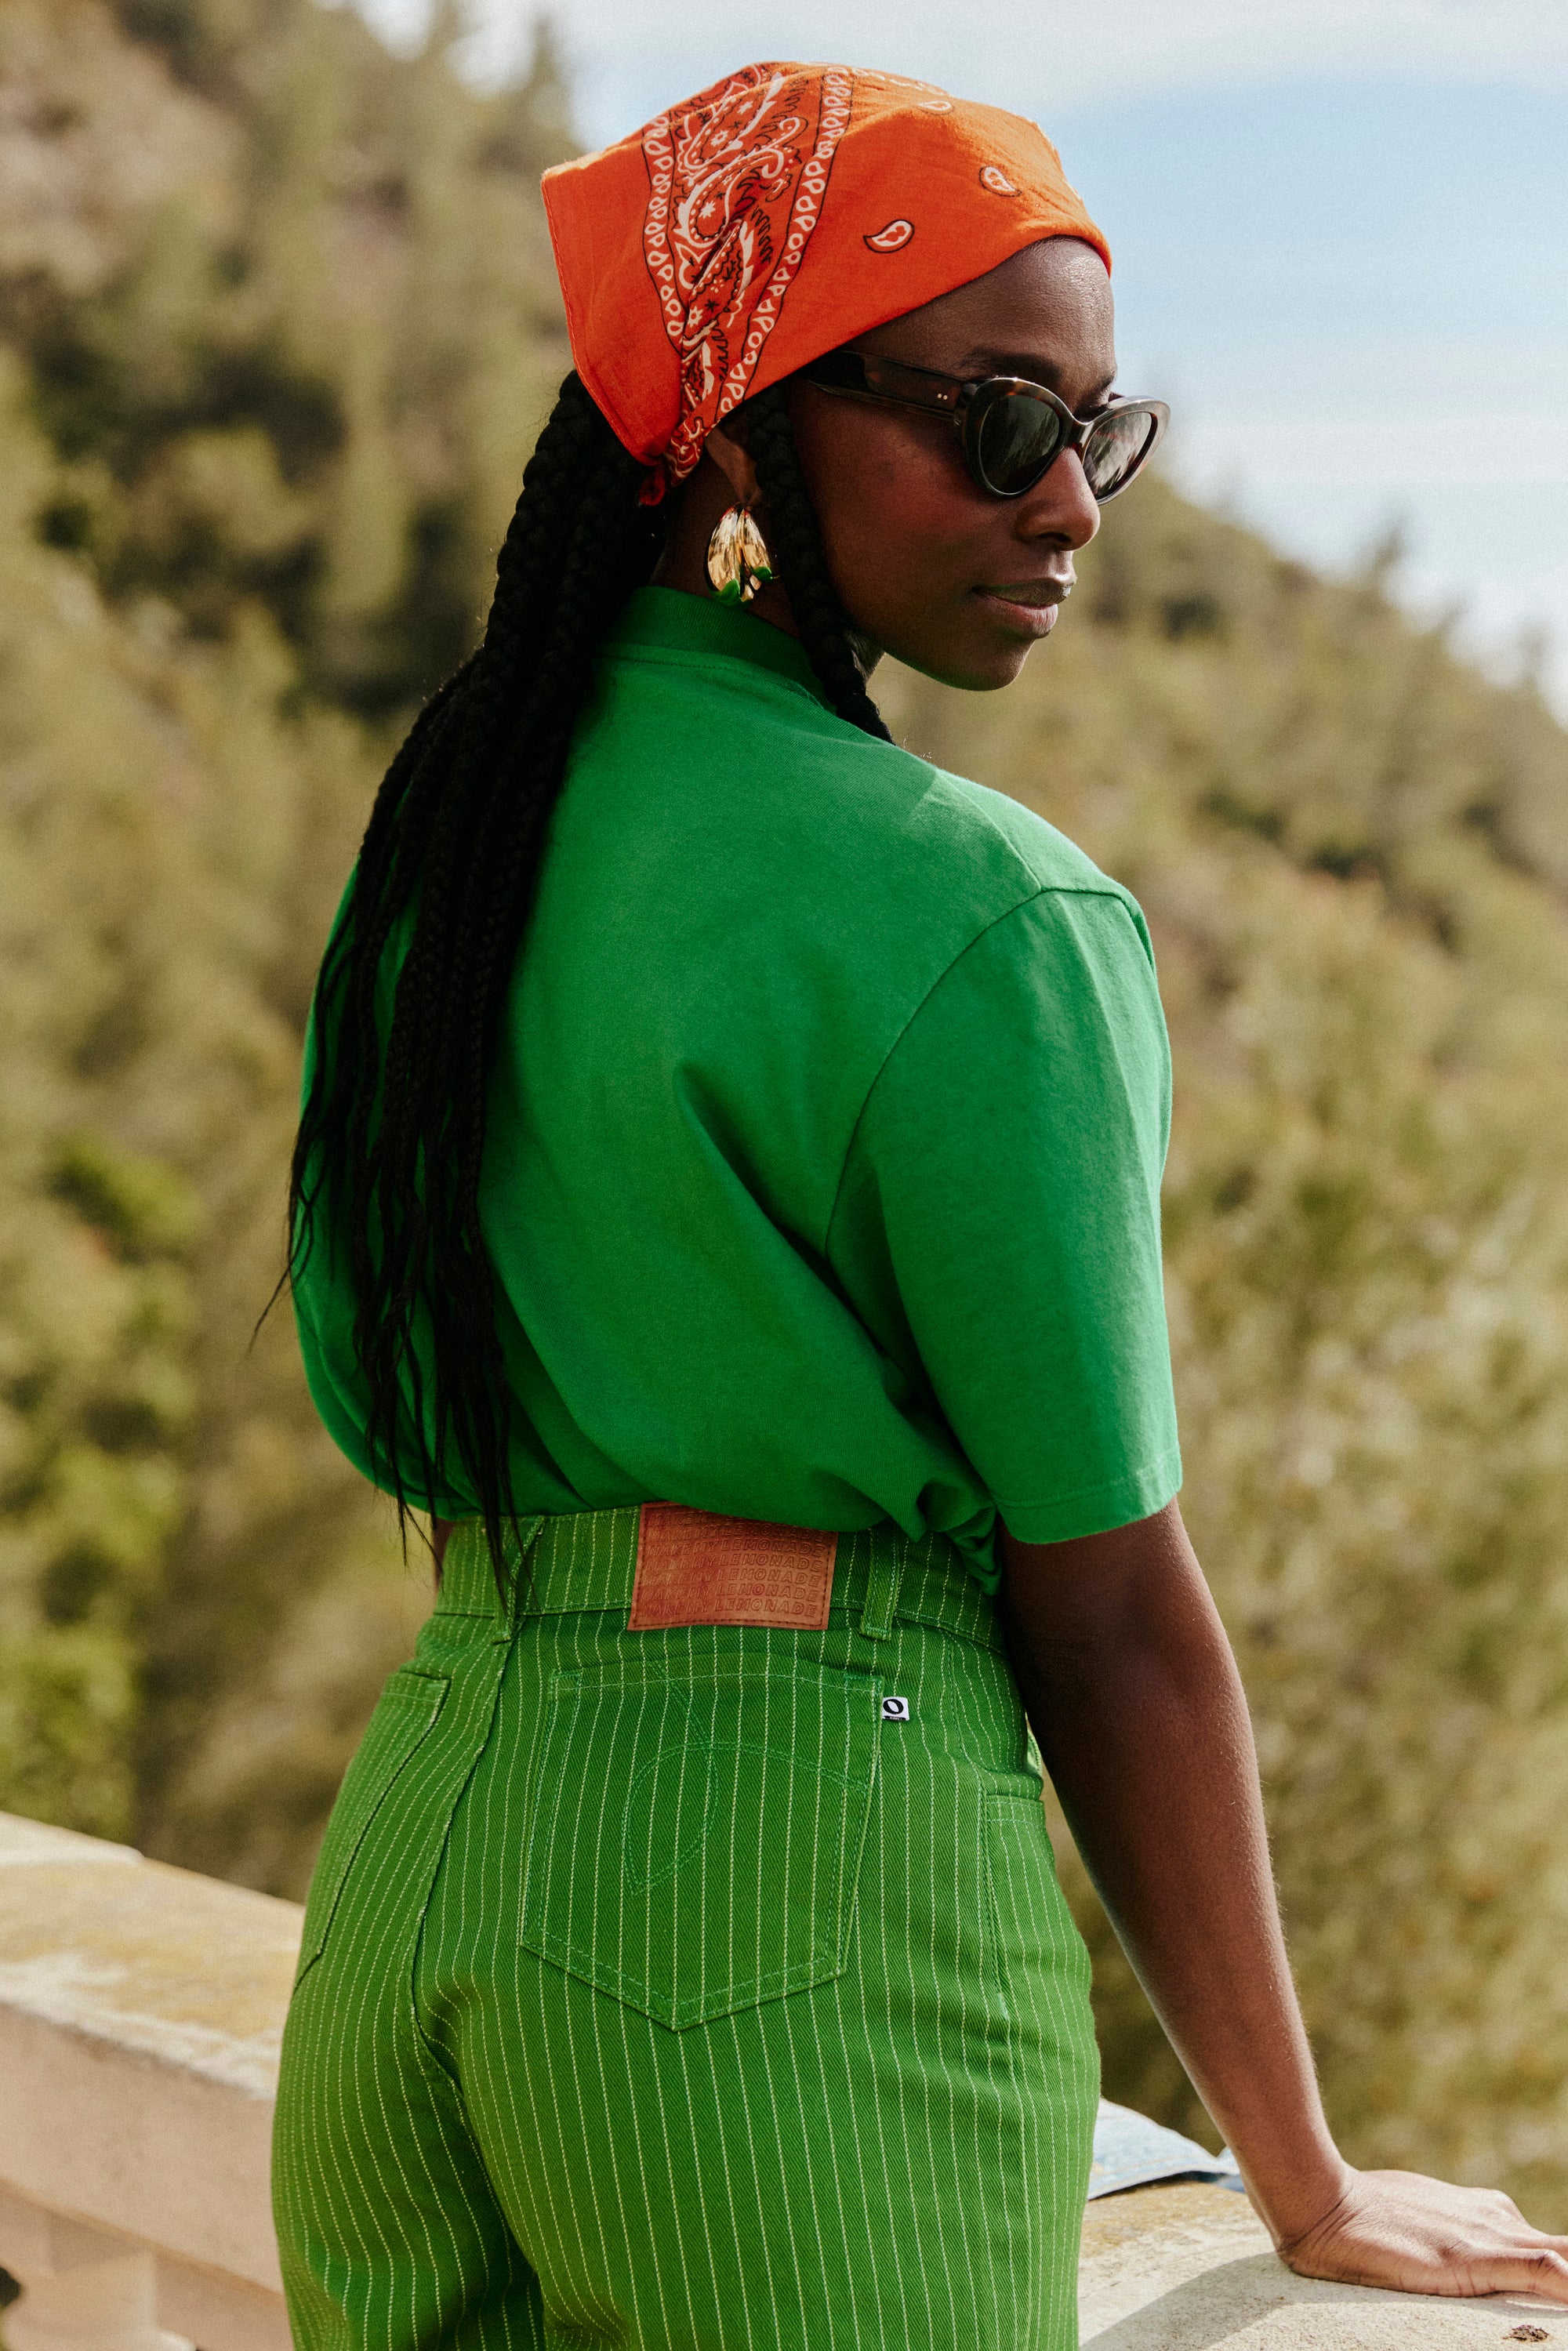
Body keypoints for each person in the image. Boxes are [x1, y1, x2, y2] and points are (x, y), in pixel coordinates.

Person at [270, 60, 1568, 2351]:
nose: (1067, 502)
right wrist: (1303, 2172)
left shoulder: (453, 846)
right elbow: (1117, 1613)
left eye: (1097, 433)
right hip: (780, 1913)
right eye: (998, 424)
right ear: (739, 435)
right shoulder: (981, 917)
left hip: (423, 1866)